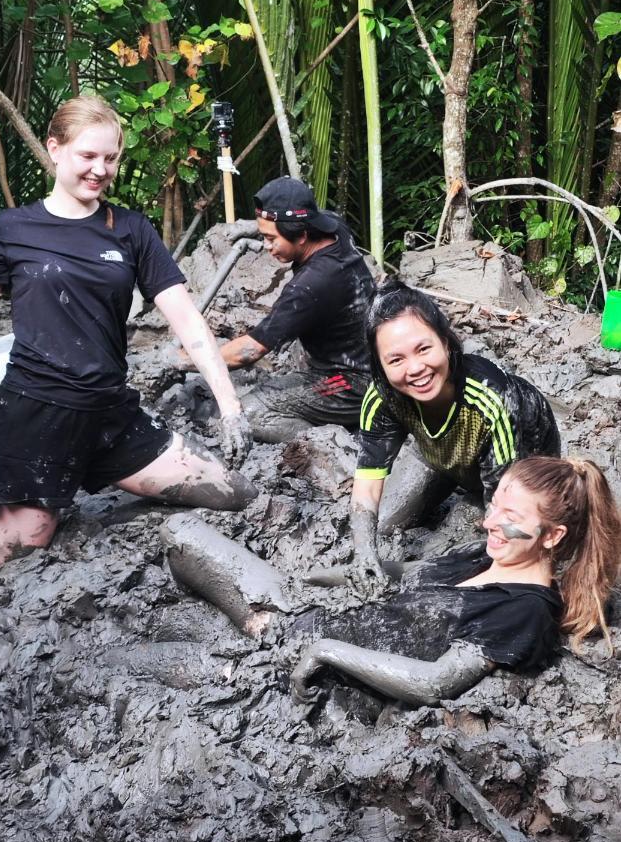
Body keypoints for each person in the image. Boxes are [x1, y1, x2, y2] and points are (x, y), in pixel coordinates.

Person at [0, 95, 256, 569]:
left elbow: (188, 320)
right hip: (34, 421)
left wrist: (231, 407)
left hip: (111, 414)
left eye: (110, 158)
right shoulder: (12, 228)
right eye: (87, 156)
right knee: (16, 563)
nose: (99, 169)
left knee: (235, 493)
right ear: (55, 149)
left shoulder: (130, 229)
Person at [162, 458, 620, 707]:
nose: (489, 522)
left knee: (145, 675)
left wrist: (325, 651)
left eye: (511, 518)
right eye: (495, 505)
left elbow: (435, 682)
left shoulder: (524, 611)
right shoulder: (488, 552)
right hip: (298, 618)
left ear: (553, 536)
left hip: (314, 674)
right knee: (179, 533)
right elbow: (408, 574)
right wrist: (317, 578)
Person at [349, 279, 561, 591]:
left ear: (446, 342)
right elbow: (367, 481)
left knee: (470, 545)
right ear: (380, 366)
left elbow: (508, 505)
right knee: (383, 525)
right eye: (396, 359)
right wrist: (364, 553)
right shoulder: (382, 396)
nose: (415, 369)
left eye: (424, 349)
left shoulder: (492, 397)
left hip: (512, 479)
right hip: (442, 456)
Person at [176, 176, 376, 443]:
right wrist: (251, 228)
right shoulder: (333, 227)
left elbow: (250, 351)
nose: (267, 247)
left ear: (302, 235)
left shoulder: (310, 287)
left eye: (271, 239)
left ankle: (332, 442)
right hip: (369, 354)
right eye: (263, 236)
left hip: (353, 382)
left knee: (252, 413)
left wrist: (186, 360)